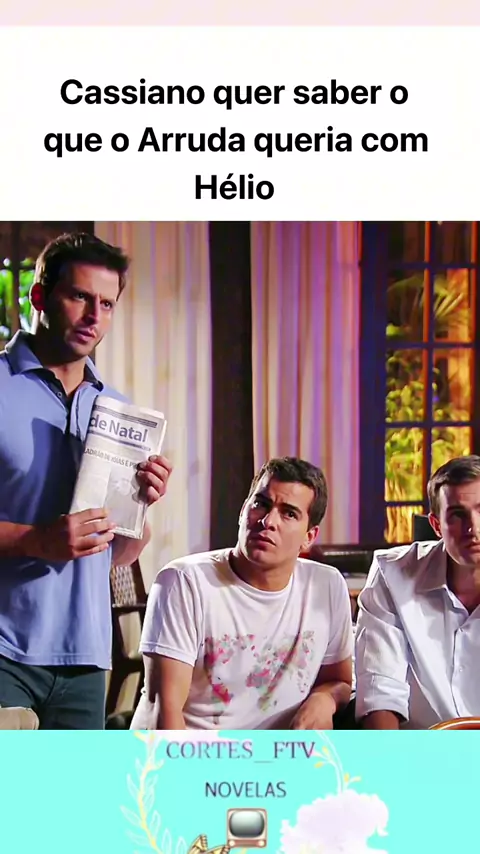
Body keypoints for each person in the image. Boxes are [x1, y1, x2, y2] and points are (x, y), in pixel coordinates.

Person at [0, 232, 172, 729]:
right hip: (6, 649)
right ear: (39, 297)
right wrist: (37, 540)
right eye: (80, 296)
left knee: (74, 786)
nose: (94, 315)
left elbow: (117, 554)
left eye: (107, 303)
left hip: (87, 658)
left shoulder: (117, 408)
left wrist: (142, 505)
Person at [131, 456, 353, 731]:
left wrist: (325, 699)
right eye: (261, 504)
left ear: (309, 536)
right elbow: (164, 712)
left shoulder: (326, 585)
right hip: (191, 750)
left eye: (289, 514)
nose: (268, 521)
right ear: (242, 511)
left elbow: (340, 681)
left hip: (278, 753)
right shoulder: (184, 582)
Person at [355, 455, 480, 729]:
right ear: (436, 526)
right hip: (420, 746)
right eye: (457, 515)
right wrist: (388, 755)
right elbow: (380, 690)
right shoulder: (392, 574)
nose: (474, 529)